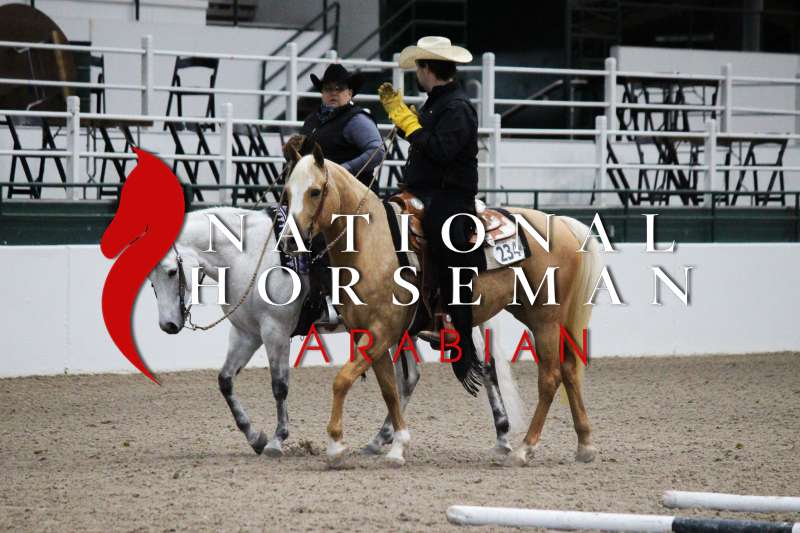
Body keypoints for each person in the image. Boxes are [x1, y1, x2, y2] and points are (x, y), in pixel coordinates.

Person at [378, 36, 483, 392]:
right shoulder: (439, 103)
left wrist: (406, 122)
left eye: (418, 68)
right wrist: (409, 119)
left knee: (443, 236)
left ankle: (457, 329)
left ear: (426, 69)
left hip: (451, 197)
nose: (416, 75)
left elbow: (440, 151)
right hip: (424, 192)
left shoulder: (457, 107)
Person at [300, 63, 384, 188]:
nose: (334, 92)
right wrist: (291, 153)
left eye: (339, 88)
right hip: (314, 191)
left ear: (350, 93)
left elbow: (377, 152)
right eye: (328, 88)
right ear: (322, 93)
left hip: (351, 194)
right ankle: (276, 209)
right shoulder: (311, 119)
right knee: (283, 207)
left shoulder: (357, 119)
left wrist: (343, 170)